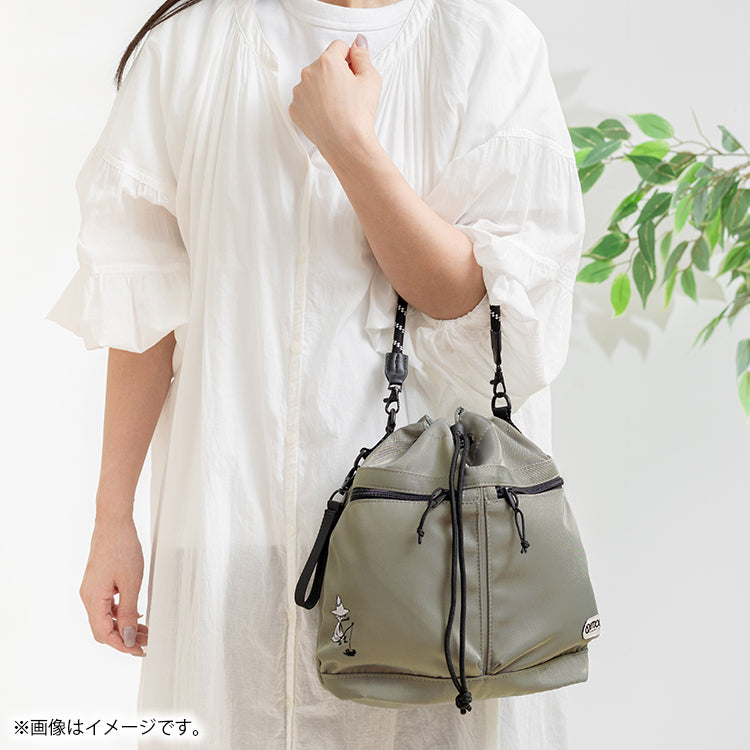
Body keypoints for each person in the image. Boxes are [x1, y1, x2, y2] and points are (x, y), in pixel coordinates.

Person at [45, 0, 586, 747]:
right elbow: (145, 311)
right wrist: (113, 520)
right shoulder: (189, 48)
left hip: (427, 544)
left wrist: (350, 143)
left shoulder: (486, 44)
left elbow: (459, 295)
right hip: (232, 522)